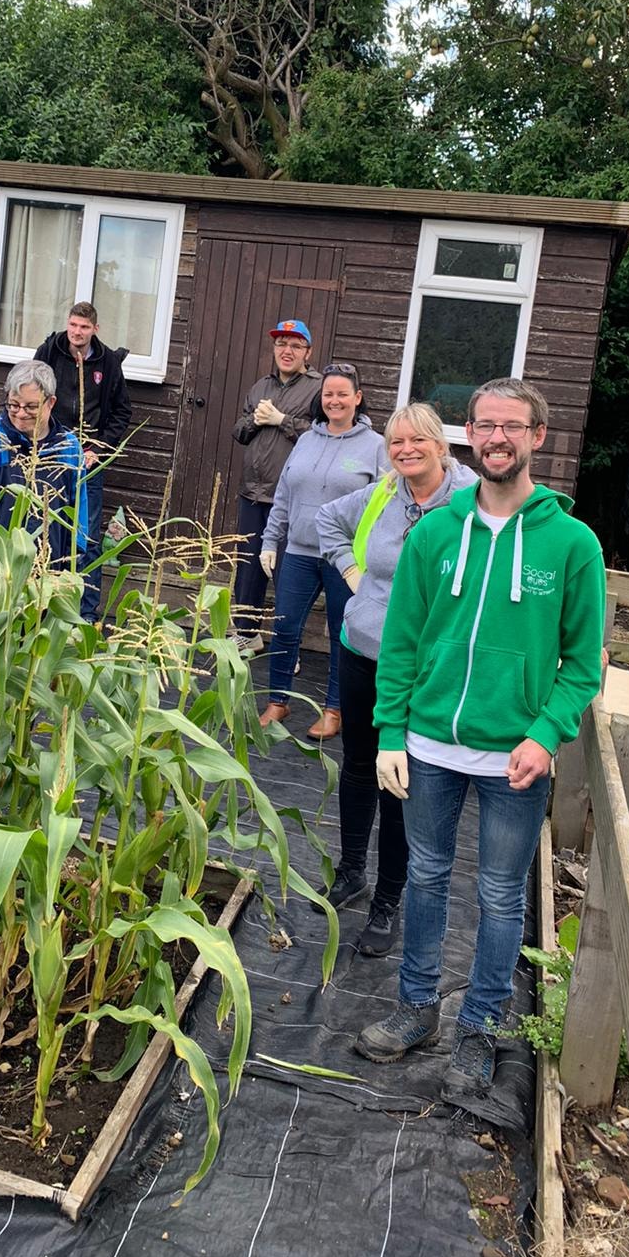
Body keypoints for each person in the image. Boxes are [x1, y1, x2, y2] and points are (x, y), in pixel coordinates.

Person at [354, 378, 606, 1101]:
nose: (497, 438)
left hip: (515, 758)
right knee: (426, 877)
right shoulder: (435, 533)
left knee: (500, 895)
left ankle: (481, 1026)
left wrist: (546, 735)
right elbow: (401, 644)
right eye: (486, 425)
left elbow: (583, 664)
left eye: (512, 427)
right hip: (429, 746)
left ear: (536, 437)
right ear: (470, 433)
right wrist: (391, 731)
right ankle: (416, 1008)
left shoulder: (572, 543)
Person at [315, 404, 478, 956]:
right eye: (396, 442)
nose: (406, 450)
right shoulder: (384, 493)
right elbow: (327, 520)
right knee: (360, 766)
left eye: (417, 440)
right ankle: (351, 872)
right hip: (362, 649)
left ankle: (387, 902)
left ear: (441, 445)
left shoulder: (470, 502)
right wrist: (353, 575)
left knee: (401, 782)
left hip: (422, 668)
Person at [258, 363, 387, 739]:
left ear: (357, 398)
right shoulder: (306, 440)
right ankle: (277, 701)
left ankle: (334, 709)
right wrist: (270, 541)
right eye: (328, 394)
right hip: (299, 552)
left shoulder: (376, 446)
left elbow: (385, 503)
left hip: (344, 558)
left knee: (340, 633)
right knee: (285, 627)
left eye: (342, 394)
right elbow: (284, 494)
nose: (335, 400)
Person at [35, 304, 131, 620]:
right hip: (50, 455)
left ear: (95, 329)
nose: (77, 332)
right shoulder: (49, 352)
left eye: (84, 327)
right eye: (74, 325)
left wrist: (98, 450)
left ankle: (86, 612)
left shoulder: (108, 362)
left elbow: (121, 412)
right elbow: (32, 397)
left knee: (86, 538)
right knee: (45, 529)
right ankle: (41, 604)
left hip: (88, 460)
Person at [230, 320, 323, 647]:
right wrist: (254, 420)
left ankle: (287, 647)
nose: (287, 351)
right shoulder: (261, 386)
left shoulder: (318, 388)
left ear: (308, 352)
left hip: (292, 498)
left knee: (288, 573)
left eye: (296, 345)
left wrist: (282, 420)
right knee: (248, 569)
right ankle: (247, 634)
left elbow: (323, 434)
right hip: (252, 493)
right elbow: (239, 432)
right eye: (281, 344)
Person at [0, 359, 88, 567]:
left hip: (48, 573)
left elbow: (78, 512)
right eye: (13, 405)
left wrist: (72, 562)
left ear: (51, 402)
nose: (21, 413)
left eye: (31, 406)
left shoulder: (69, 448)